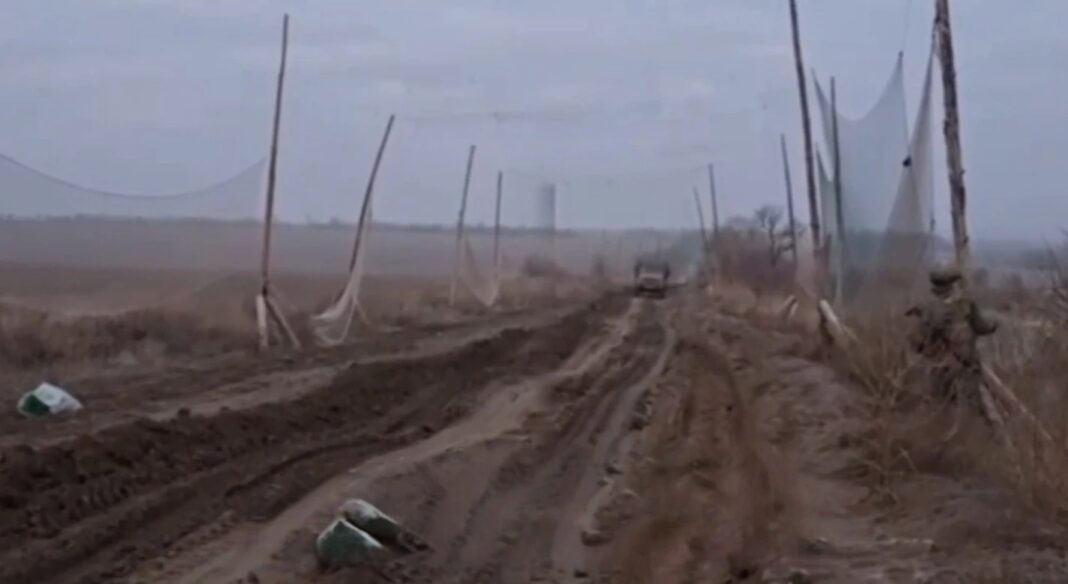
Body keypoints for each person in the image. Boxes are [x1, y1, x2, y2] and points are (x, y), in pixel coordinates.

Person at [906, 263, 998, 420]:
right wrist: (995, 324)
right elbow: (982, 327)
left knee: (938, 409)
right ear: (952, 285)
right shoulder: (964, 305)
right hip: (965, 365)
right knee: (977, 408)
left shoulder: (925, 307)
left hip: (938, 366)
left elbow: (916, 342)